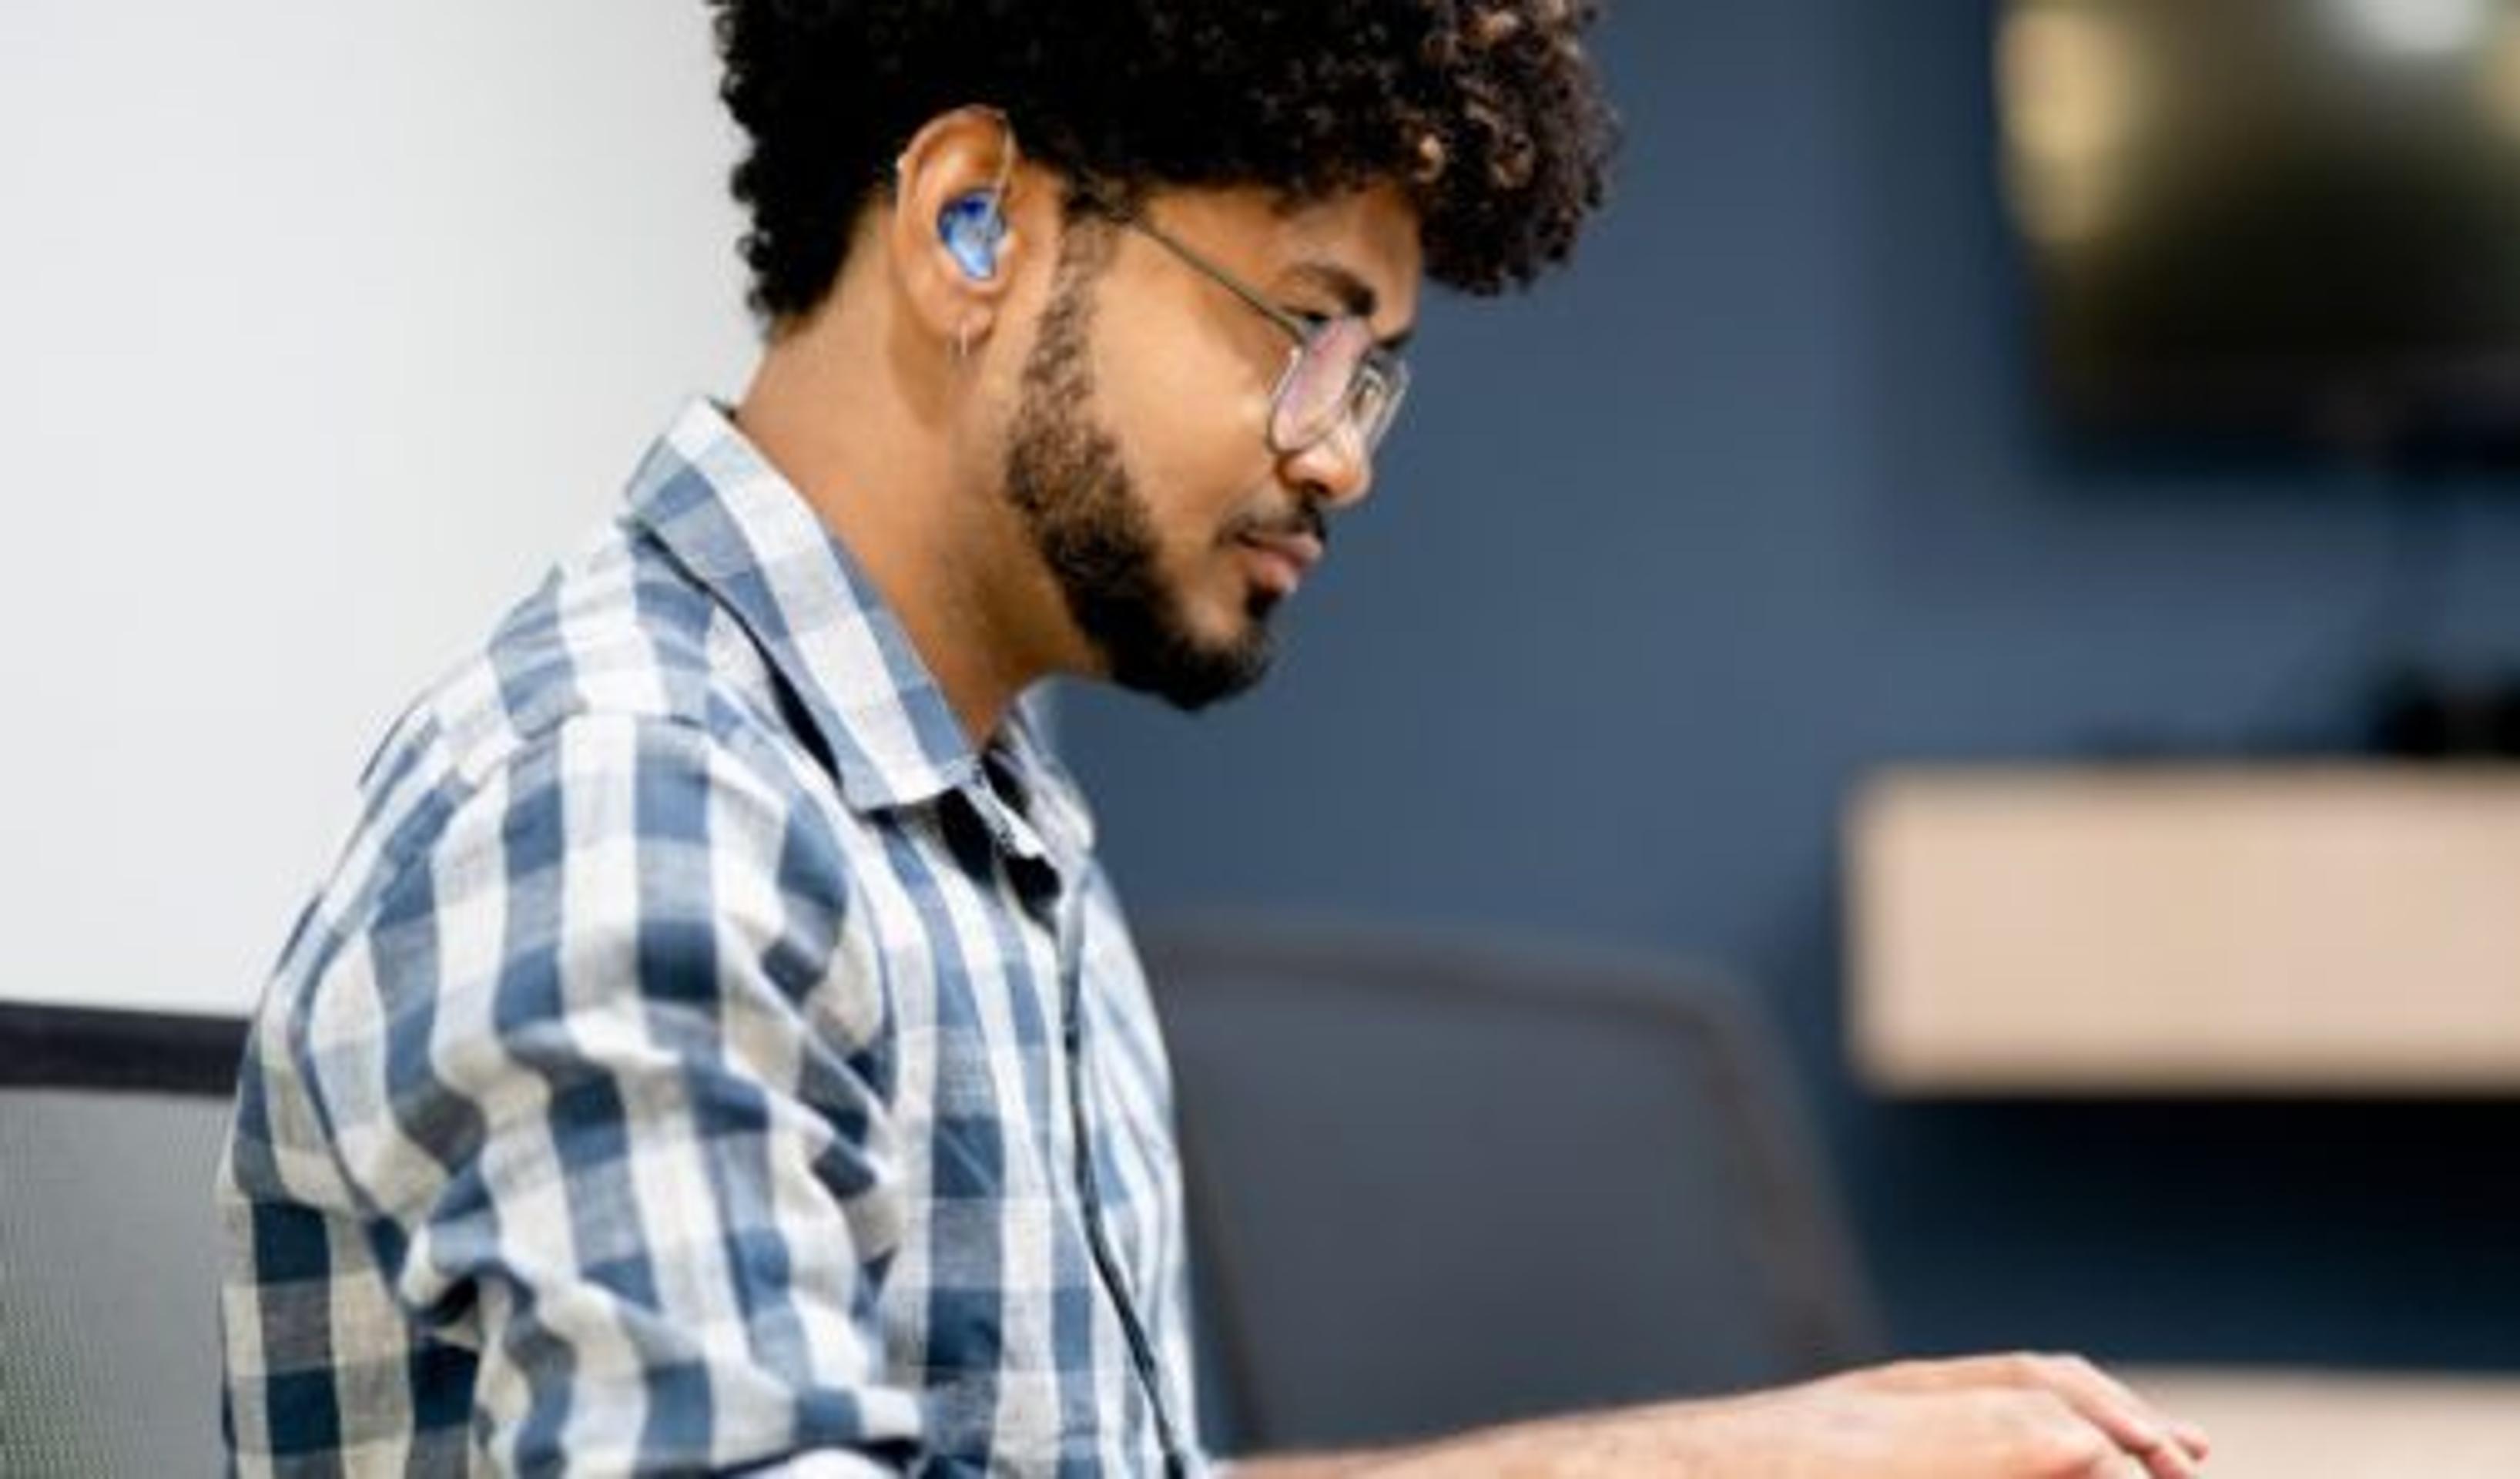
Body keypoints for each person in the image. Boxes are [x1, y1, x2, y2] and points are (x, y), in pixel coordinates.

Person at [218, 3, 2213, 1474]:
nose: (1339, 451)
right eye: (1302, 323)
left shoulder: (988, 832)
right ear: (973, 220)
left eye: (1381, 372)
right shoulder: (627, 802)